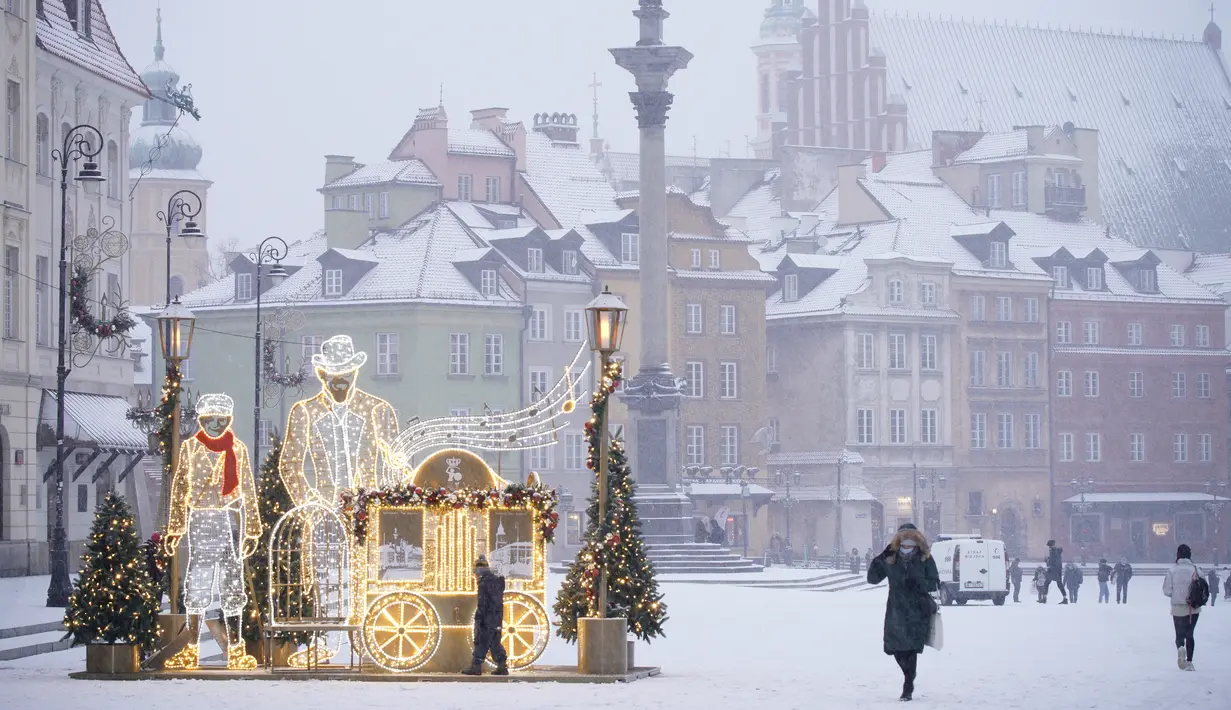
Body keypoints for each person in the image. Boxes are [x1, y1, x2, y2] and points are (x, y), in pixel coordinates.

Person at [279, 335, 403, 667]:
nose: (340, 381)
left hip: (368, 510)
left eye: (346, 373)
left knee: (369, 573)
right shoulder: (305, 412)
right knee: (327, 575)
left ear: (355, 372)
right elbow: (289, 464)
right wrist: (311, 504)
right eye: (334, 376)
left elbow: (395, 461)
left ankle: (367, 636)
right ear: (322, 375)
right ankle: (329, 638)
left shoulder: (377, 410)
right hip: (325, 510)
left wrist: (390, 499)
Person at [163, 393, 260, 670]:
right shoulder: (191, 448)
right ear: (201, 420)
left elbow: (248, 489)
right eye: (210, 419)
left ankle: (237, 648)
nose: (216, 424)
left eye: (222, 419)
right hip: (201, 519)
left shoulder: (237, 448)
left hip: (229, 518)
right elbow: (181, 486)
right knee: (198, 583)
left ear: (229, 419)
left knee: (232, 585)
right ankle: (191, 647)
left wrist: (251, 529)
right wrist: (176, 528)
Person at [867, 523, 940, 702]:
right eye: (904, 542)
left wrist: (918, 583)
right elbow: (872, 579)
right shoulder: (891, 557)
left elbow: (935, 583)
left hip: (917, 608)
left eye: (911, 543)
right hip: (896, 609)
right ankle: (909, 675)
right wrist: (880, 558)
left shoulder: (925, 558)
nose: (907, 547)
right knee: (895, 648)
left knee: (911, 648)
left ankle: (908, 684)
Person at [462, 555, 509, 676]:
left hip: (487, 617)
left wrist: (479, 618)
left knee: (481, 641)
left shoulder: (483, 584)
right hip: (497, 617)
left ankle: (476, 666)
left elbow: (482, 603)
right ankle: (502, 665)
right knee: (494, 642)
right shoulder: (495, 582)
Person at [1162, 544, 1202, 671]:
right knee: (1190, 634)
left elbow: (1167, 591)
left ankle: (1180, 647)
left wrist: (1177, 593)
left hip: (1178, 607)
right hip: (1193, 607)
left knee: (1179, 634)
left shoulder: (1172, 571)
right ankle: (1189, 662)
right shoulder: (1197, 570)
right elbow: (1203, 587)